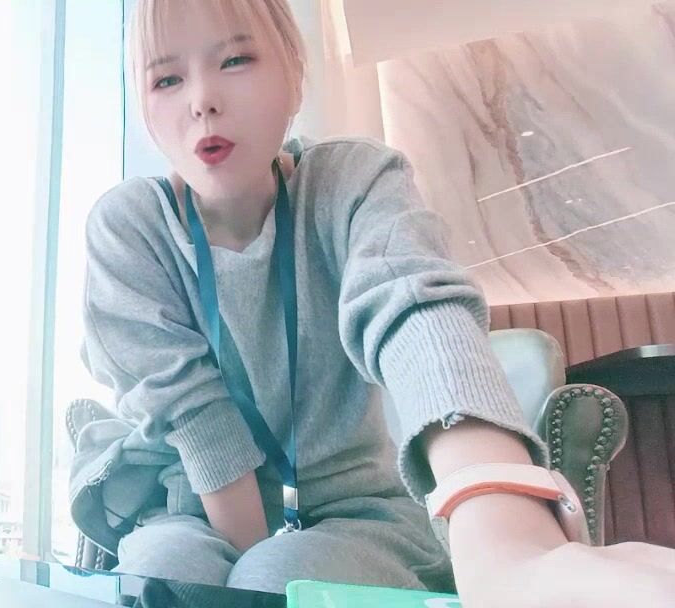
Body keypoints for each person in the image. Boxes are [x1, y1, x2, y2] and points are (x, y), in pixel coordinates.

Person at [75, 0, 675, 605]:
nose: (202, 99)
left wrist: (508, 537)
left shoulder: (353, 183)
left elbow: (415, 312)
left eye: (235, 60)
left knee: (280, 580)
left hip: (356, 509)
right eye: (167, 79)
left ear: (294, 73)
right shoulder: (131, 226)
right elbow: (192, 417)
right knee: (165, 576)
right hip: (190, 508)